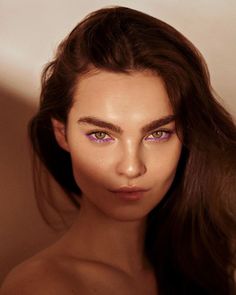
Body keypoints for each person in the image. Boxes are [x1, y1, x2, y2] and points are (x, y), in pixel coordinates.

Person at [1, 6, 235, 295]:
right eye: (101, 135)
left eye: (157, 133)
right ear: (63, 134)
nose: (131, 167)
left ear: (186, 134)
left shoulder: (198, 266)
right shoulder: (43, 286)